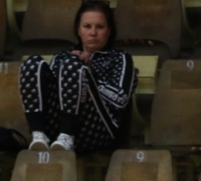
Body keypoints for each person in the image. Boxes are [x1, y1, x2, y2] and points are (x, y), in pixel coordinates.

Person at [18, 0, 134, 153]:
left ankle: (68, 135)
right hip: (56, 129)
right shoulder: (62, 57)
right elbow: (51, 94)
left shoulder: (120, 58)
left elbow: (120, 101)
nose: (93, 33)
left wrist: (89, 73)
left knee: (73, 65)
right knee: (33, 63)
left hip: (99, 131)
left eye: (100, 27)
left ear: (109, 31)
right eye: (87, 26)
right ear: (78, 30)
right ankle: (38, 135)